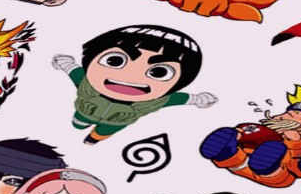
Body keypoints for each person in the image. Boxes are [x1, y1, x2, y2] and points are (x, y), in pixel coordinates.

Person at [52, 24, 216, 145]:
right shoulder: (86, 83)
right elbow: (74, 71)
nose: (131, 76)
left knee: (103, 132)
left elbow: (182, 98)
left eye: (159, 72)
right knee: (78, 122)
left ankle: (93, 139)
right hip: (83, 112)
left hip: (116, 123)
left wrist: (199, 99)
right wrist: (66, 63)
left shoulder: (160, 100)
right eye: (115, 61)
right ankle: (79, 126)